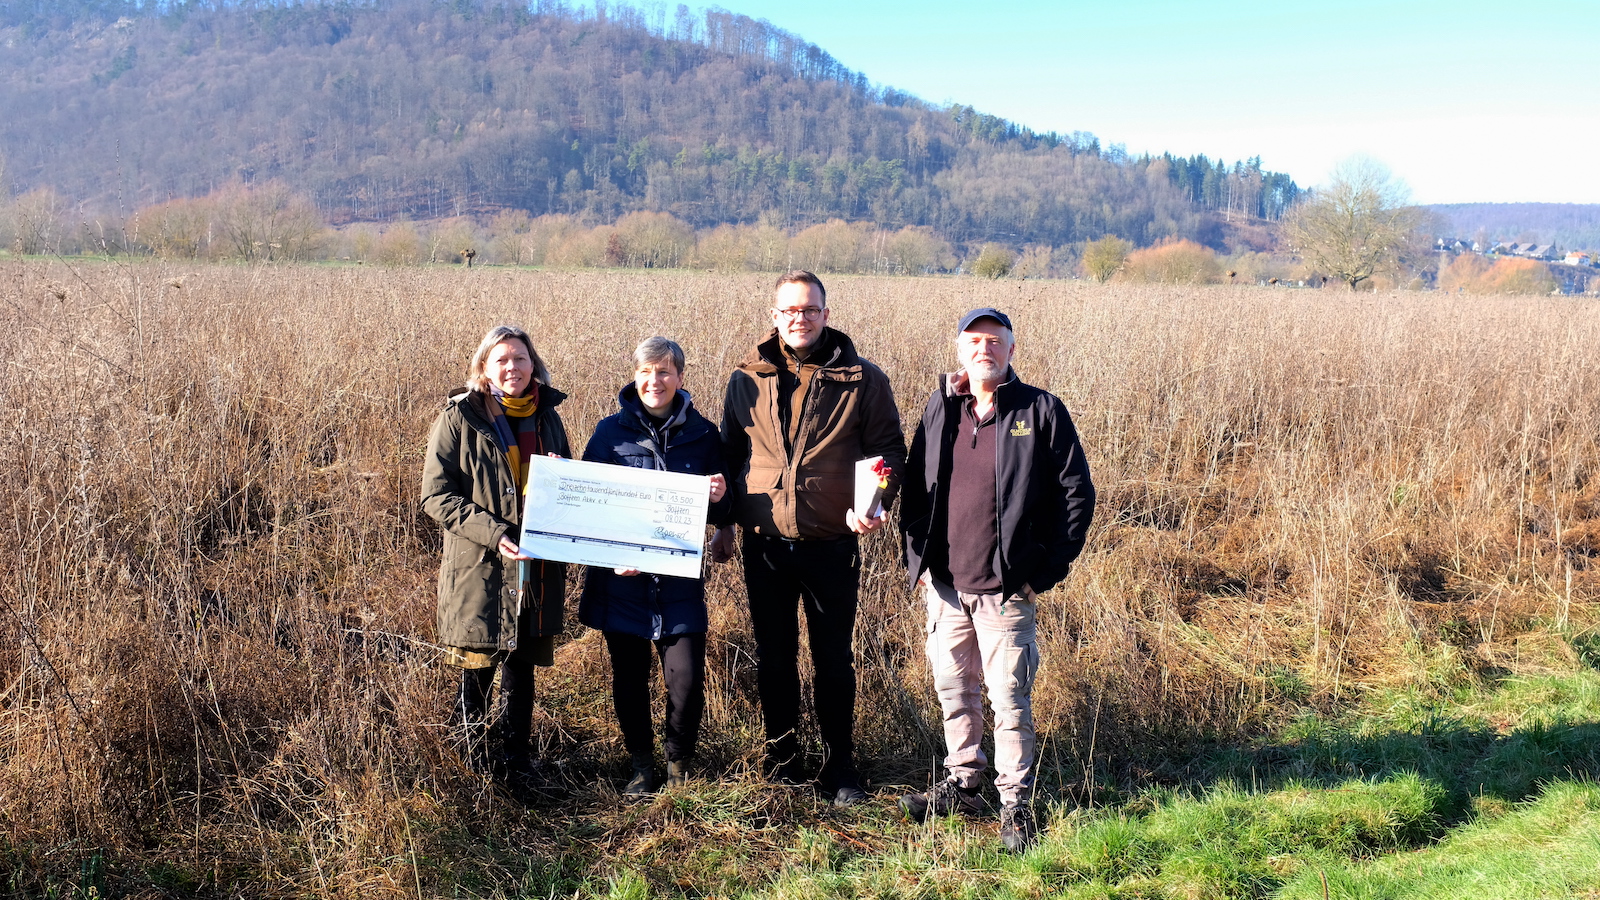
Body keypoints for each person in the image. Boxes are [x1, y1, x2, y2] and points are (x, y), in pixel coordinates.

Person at [897, 307, 1095, 852]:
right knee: (953, 691)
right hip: (945, 588)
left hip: (1006, 590)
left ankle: (1016, 804)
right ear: (959, 349)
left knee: (1009, 699)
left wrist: (1047, 570)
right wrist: (917, 558)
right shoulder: (940, 406)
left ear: (1011, 349)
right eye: (973, 340)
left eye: (994, 340)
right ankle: (964, 783)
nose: (983, 348)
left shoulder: (1040, 409)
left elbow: (1076, 494)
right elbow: (915, 488)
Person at [712, 270, 906, 806]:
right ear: (774, 315)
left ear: (826, 313)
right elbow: (730, 456)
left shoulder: (863, 379)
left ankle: (840, 767)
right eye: (790, 310)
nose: (801, 318)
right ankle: (782, 758)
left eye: (810, 309)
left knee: (833, 657)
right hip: (766, 542)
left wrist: (873, 504)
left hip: (831, 541)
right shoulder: (745, 379)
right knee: (774, 656)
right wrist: (725, 522)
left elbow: (890, 454)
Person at [579, 337, 732, 796]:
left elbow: (724, 512)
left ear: (680, 378)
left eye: (665, 372)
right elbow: (590, 506)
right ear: (635, 375)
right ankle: (641, 764)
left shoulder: (705, 435)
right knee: (628, 678)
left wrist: (722, 500)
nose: (655, 381)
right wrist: (612, 557)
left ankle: (678, 762)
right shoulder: (610, 433)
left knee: (685, 679)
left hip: (679, 583)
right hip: (621, 583)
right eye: (646, 371)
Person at [421, 324, 571, 789]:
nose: (512, 368)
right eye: (501, 359)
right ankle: (471, 767)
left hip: (536, 564)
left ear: (534, 365)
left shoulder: (547, 417)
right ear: (483, 367)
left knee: (522, 667)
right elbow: (435, 496)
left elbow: (565, 480)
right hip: (481, 567)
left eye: (520, 359)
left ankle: (517, 762)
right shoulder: (458, 419)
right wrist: (495, 533)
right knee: (477, 667)